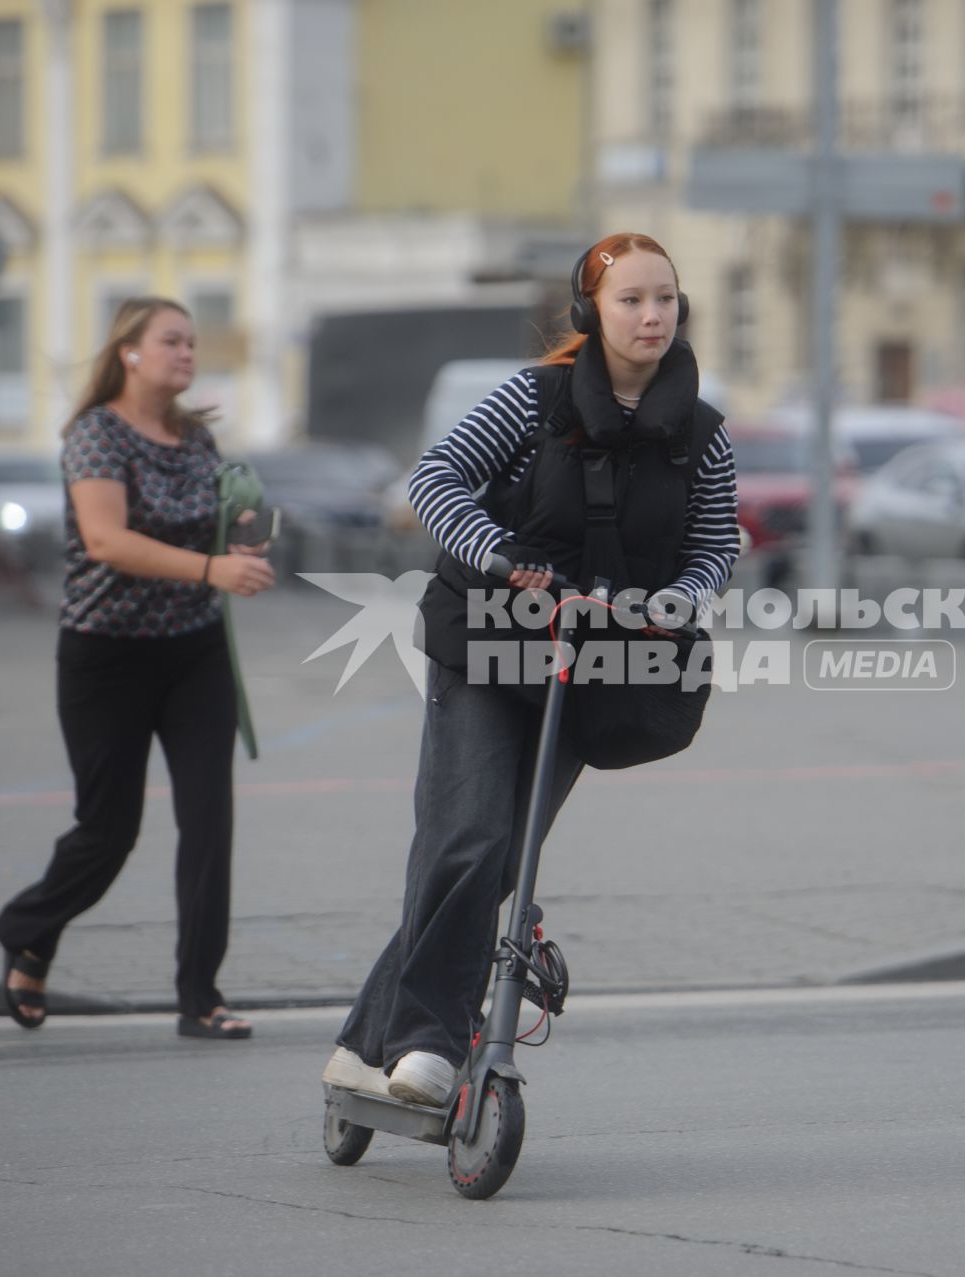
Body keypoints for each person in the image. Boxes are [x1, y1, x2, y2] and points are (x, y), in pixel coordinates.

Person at [321, 232, 739, 1104]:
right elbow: (434, 480)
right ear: (592, 311)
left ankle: (369, 1041)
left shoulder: (702, 434)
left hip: (590, 659)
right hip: (483, 639)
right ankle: (429, 1046)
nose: (652, 314)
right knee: (465, 837)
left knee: (504, 857)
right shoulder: (534, 398)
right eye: (631, 299)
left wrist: (674, 604)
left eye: (665, 297)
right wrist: (502, 557)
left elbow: (712, 546)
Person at [0, 296, 275, 1039]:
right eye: (171, 341)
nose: (186, 353)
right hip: (105, 655)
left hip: (194, 653)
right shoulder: (95, 435)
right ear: (128, 351)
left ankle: (200, 995)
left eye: (191, 342)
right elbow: (107, 541)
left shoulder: (194, 438)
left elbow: (214, 531)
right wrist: (213, 568)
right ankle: (29, 927)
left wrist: (238, 547)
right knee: (108, 829)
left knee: (209, 820)